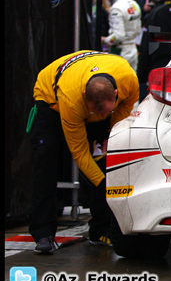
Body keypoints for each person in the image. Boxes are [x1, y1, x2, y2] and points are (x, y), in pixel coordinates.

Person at [30, 50, 139, 253]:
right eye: (95, 113)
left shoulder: (129, 80)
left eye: (105, 112)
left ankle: (100, 231)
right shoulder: (71, 101)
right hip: (50, 98)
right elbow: (79, 153)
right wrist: (104, 185)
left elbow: (124, 109)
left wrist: (111, 136)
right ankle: (43, 233)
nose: (99, 117)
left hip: (98, 78)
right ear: (84, 98)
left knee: (107, 159)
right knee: (45, 160)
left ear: (116, 94)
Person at [101, 0, 142, 72]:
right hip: (133, 49)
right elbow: (138, 29)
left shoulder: (116, 8)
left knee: (118, 83)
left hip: (121, 52)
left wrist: (104, 40)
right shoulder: (133, 3)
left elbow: (118, 36)